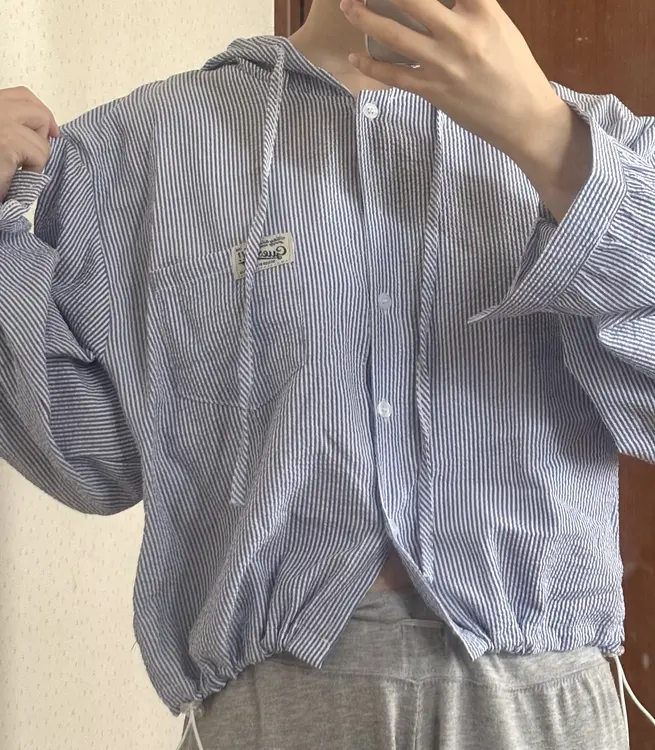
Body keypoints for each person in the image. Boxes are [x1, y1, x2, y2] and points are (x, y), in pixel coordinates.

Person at [1, 0, 654, 747]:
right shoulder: (134, 151)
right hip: (275, 712)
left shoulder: (615, 149)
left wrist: (550, 143)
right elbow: (88, 459)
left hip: (542, 708)